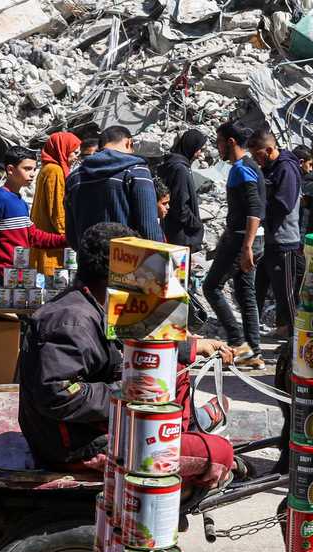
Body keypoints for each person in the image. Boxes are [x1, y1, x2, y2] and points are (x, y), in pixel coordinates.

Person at [18, 221, 238, 488]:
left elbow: (135, 338)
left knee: (174, 368)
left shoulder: (98, 302)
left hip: (92, 427)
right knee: (221, 453)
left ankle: (188, 426)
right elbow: (58, 395)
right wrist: (128, 392)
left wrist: (190, 348)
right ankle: (188, 453)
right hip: (77, 445)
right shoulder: (71, 321)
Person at [201, 122, 266, 369]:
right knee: (245, 293)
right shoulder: (251, 166)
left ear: (229, 142)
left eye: (219, 143)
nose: (217, 149)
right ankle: (253, 353)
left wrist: (247, 247)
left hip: (242, 239)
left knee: (211, 287)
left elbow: (254, 210)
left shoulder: (241, 169)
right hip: (251, 238)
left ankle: (239, 344)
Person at [0, 147, 68, 275]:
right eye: (27, 169)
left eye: (34, 169)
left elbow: (34, 237)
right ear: (10, 170)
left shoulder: (20, 202)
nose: (32, 174)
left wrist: (68, 240)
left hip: (21, 276)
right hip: (2, 277)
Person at [65, 125, 162, 243]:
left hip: (88, 257)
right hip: (127, 257)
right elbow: (149, 229)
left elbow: (71, 233)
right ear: (129, 143)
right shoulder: (137, 171)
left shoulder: (74, 178)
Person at [251, 131, 302, 337]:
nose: (257, 160)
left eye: (258, 155)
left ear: (270, 150)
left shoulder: (286, 169)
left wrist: (259, 206)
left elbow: (284, 204)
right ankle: (251, 333)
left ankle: (294, 339)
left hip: (285, 241)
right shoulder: (273, 168)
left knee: (286, 295)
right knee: (259, 288)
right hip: (270, 240)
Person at [31, 131, 81, 274]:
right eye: (74, 152)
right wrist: (70, 236)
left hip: (45, 239)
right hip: (52, 245)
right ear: (62, 149)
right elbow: (58, 210)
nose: (76, 157)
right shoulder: (55, 171)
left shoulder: (46, 169)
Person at [158, 130, 206, 251]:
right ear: (190, 147)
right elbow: (180, 205)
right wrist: (196, 224)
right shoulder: (180, 170)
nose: (199, 154)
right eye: (198, 149)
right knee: (179, 269)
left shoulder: (172, 164)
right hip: (182, 235)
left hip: (173, 230)